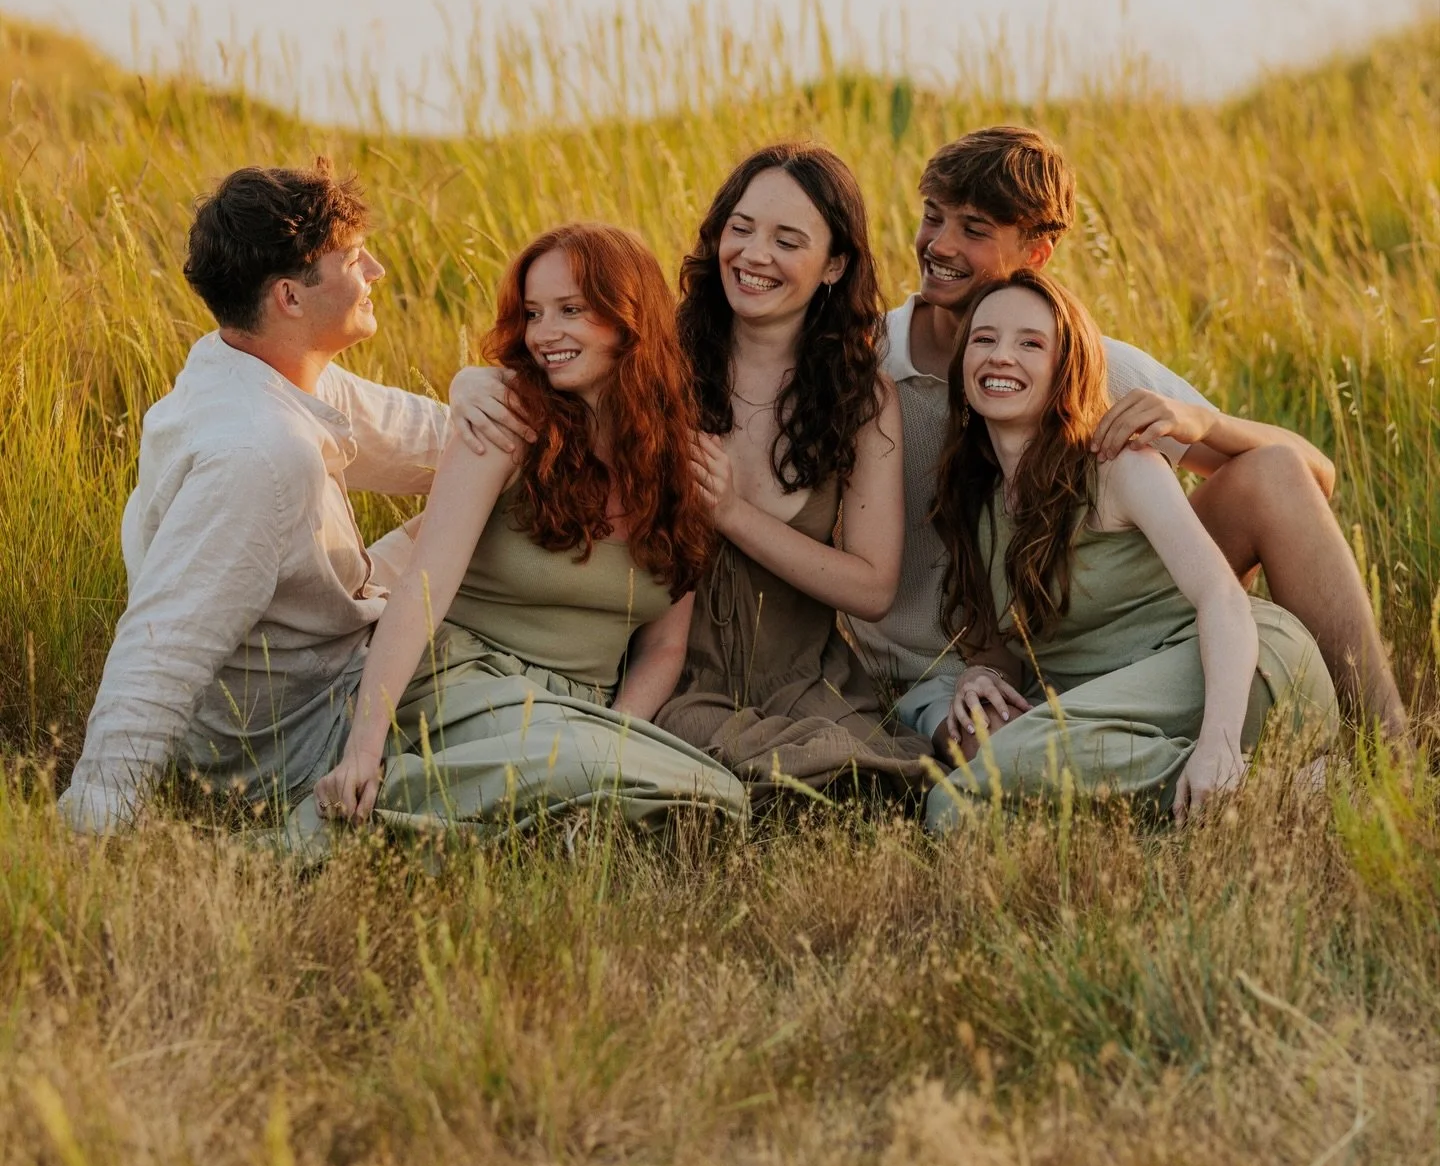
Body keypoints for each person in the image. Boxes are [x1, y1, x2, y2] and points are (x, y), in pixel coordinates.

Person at [846, 125, 1409, 742]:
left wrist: (1206, 423)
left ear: (1036, 254)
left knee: (1269, 474)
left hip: (1088, 635)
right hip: (951, 673)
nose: (940, 244)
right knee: (988, 770)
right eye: (933, 217)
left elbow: (1309, 478)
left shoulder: (1088, 366)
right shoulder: (861, 365)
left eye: (974, 230)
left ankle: (1388, 749)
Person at [60, 159, 498, 834]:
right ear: (291, 299)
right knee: (492, 538)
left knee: (483, 503)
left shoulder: (261, 366)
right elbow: (163, 644)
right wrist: (94, 816)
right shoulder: (259, 452)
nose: (376, 271)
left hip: (317, 659)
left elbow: (435, 443)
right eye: (353, 259)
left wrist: (489, 395)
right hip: (287, 738)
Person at [309, 223, 746, 835]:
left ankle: (512, 817)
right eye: (534, 313)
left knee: (719, 794)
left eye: (571, 310)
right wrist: (362, 743)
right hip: (466, 682)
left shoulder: (687, 463)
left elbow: (665, 646)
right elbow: (421, 590)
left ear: (631, 318)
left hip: (583, 712)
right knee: (587, 772)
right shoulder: (503, 423)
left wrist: (617, 738)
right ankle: (379, 790)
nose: (545, 334)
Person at [898, 272, 1338, 828]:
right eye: (984, 340)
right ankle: (1222, 809)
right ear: (962, 364)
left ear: (1067, 368)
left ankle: (1253, 785)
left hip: (1238, 673)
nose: (1001, 357)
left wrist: (1219, 744)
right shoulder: (975, 503)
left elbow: (1222, 599)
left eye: (1030, 343)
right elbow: (1009, 655)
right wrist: (976, 678)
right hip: (1124, 715)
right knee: (958, 812)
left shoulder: (1118, 465)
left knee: (986, 777)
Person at [652, 144, 932, 803]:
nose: (753, 256)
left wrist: (731, 514)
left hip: (809, 683)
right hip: (677, 677)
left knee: (876, 769)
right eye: (741, 228)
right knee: (699, 744)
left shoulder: (863, 399)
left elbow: (871, 588)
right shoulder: (662, 365)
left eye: (787, 240)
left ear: (834, 264)